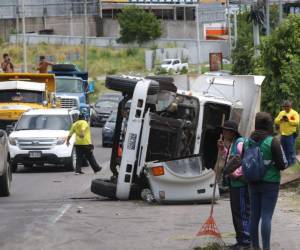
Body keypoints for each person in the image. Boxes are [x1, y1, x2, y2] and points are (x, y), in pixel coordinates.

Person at [247, 112, 287, 250]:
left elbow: (244, 162)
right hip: (270, 183)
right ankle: (266, 248)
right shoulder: (272, 141)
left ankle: (254, 246)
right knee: (266, 217)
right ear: (269, 126)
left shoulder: (248, 141)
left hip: (252, 183)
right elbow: (282, 165)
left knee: (254, 216)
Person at [217, 120, 250, 250]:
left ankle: (245, 241)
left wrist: (234, 174)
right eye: (223, 130)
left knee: (241, 213)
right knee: (236, 213)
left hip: (240, 184)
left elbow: (245, 160)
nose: (223, 133)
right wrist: (222, 149)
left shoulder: (240, 143)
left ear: (232, 132)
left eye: (225, 131)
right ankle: (240, 239)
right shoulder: (232, 144)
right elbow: (231, 159)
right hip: (235, 184)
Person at [274, 100, 299, 166]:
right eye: (284, 106)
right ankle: (286, 163)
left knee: (290, 150)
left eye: (287, 106)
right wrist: (280, 120)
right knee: (283, 149)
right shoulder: (282, 113)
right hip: (283, 134)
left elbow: (296, 122)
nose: (285, 108)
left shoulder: (294, 113)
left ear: (290, 106)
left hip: (290, 135)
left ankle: (292, 163)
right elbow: (276, 121)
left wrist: (289, 120)